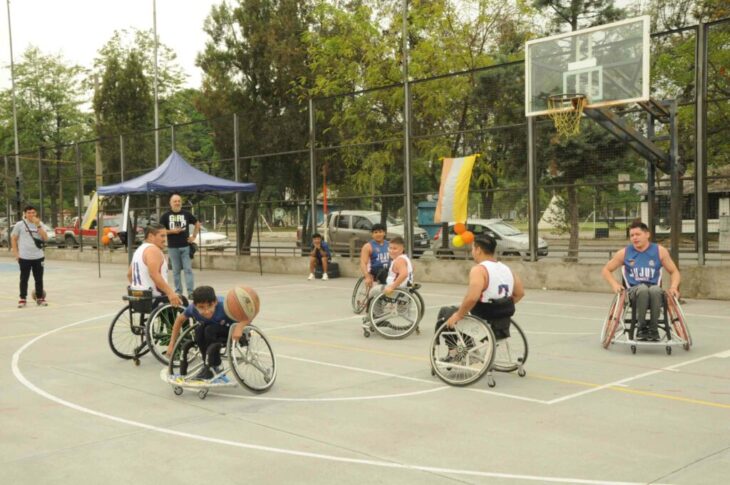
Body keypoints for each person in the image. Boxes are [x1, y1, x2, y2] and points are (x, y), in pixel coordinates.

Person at [601, 220, 680, 341]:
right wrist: (614, 284)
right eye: (632, 235)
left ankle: (653, 329)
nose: (634, 238)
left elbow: (674, 271)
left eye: (638, 234)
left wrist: (674, 287)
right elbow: (606, 270)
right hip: (633, 292)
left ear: (647, 234)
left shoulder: (659, 251)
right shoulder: (624, 253)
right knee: (642, 289)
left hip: (654, 291)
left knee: (654, 290)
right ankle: (641, 328)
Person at [443, 234, 525, 335]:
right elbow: (520, 293)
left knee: (445, 312)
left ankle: (453, 345)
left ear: (478, 250)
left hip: (484, 316)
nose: (472, 252)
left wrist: (459, 315)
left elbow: (472, 298)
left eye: (472, 249)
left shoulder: (479, 269)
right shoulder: (507, 269)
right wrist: (502, 305)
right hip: (503, 316)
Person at [167, 285, 251, 382]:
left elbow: (248, 316)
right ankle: (207, 365)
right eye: (201, 307)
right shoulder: (192, 309)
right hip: (212, 331)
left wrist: (240, 328)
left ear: (215, 302)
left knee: (209, 330)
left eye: (210, 306)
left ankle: (217, 365)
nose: (206, 311)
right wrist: (172, 343)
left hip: (231, 331)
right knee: (198, 330)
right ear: (195, 305)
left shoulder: (226, 305)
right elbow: (179, 320)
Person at [127, 223, 182, 308]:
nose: (165, 239)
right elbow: (154, 274)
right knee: (183, 302)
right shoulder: (153, 250)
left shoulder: (139, 250)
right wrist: (170, 293)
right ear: (151, 236)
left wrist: (139, 289)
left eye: (165, 236)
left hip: (138, 297)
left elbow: (129, 274)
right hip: (154, 298)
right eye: (162, 236)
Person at [160, 194, 200, 298]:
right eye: (175, 201)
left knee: (188, 270)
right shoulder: (165, 216)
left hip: (185, 246)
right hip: (172, 247)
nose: (177, 203)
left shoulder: (186, 213)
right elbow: (160, 231)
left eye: (179, 201)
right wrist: (172, 231)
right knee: (176, 271)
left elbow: (197, 224)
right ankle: (178, 292)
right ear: (170, 203)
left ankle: (190, 292)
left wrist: (194, 236)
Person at [11, 205, 50, 308]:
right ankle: (22, 298)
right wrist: (16, 254)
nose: (31, 214)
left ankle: (40, 298)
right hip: (24, 257)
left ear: (36, 213)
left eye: (33, 212)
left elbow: (45, 238)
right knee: (24, 279)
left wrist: (38, 225)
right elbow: (14, 239)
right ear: (25, 214)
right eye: (29, 213)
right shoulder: (19, 225)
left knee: (39, 279)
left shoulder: (40, 224)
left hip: (38, 256)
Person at [359, 223, 390, 290]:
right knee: (383, 273)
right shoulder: (368, 246)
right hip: (375, 273)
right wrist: (367, 276)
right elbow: (363, 263)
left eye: (380, 232)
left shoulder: (389, 244)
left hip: (388, 271)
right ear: (372, 234)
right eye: (376, 232)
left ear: (384, 233)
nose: (378, 234)